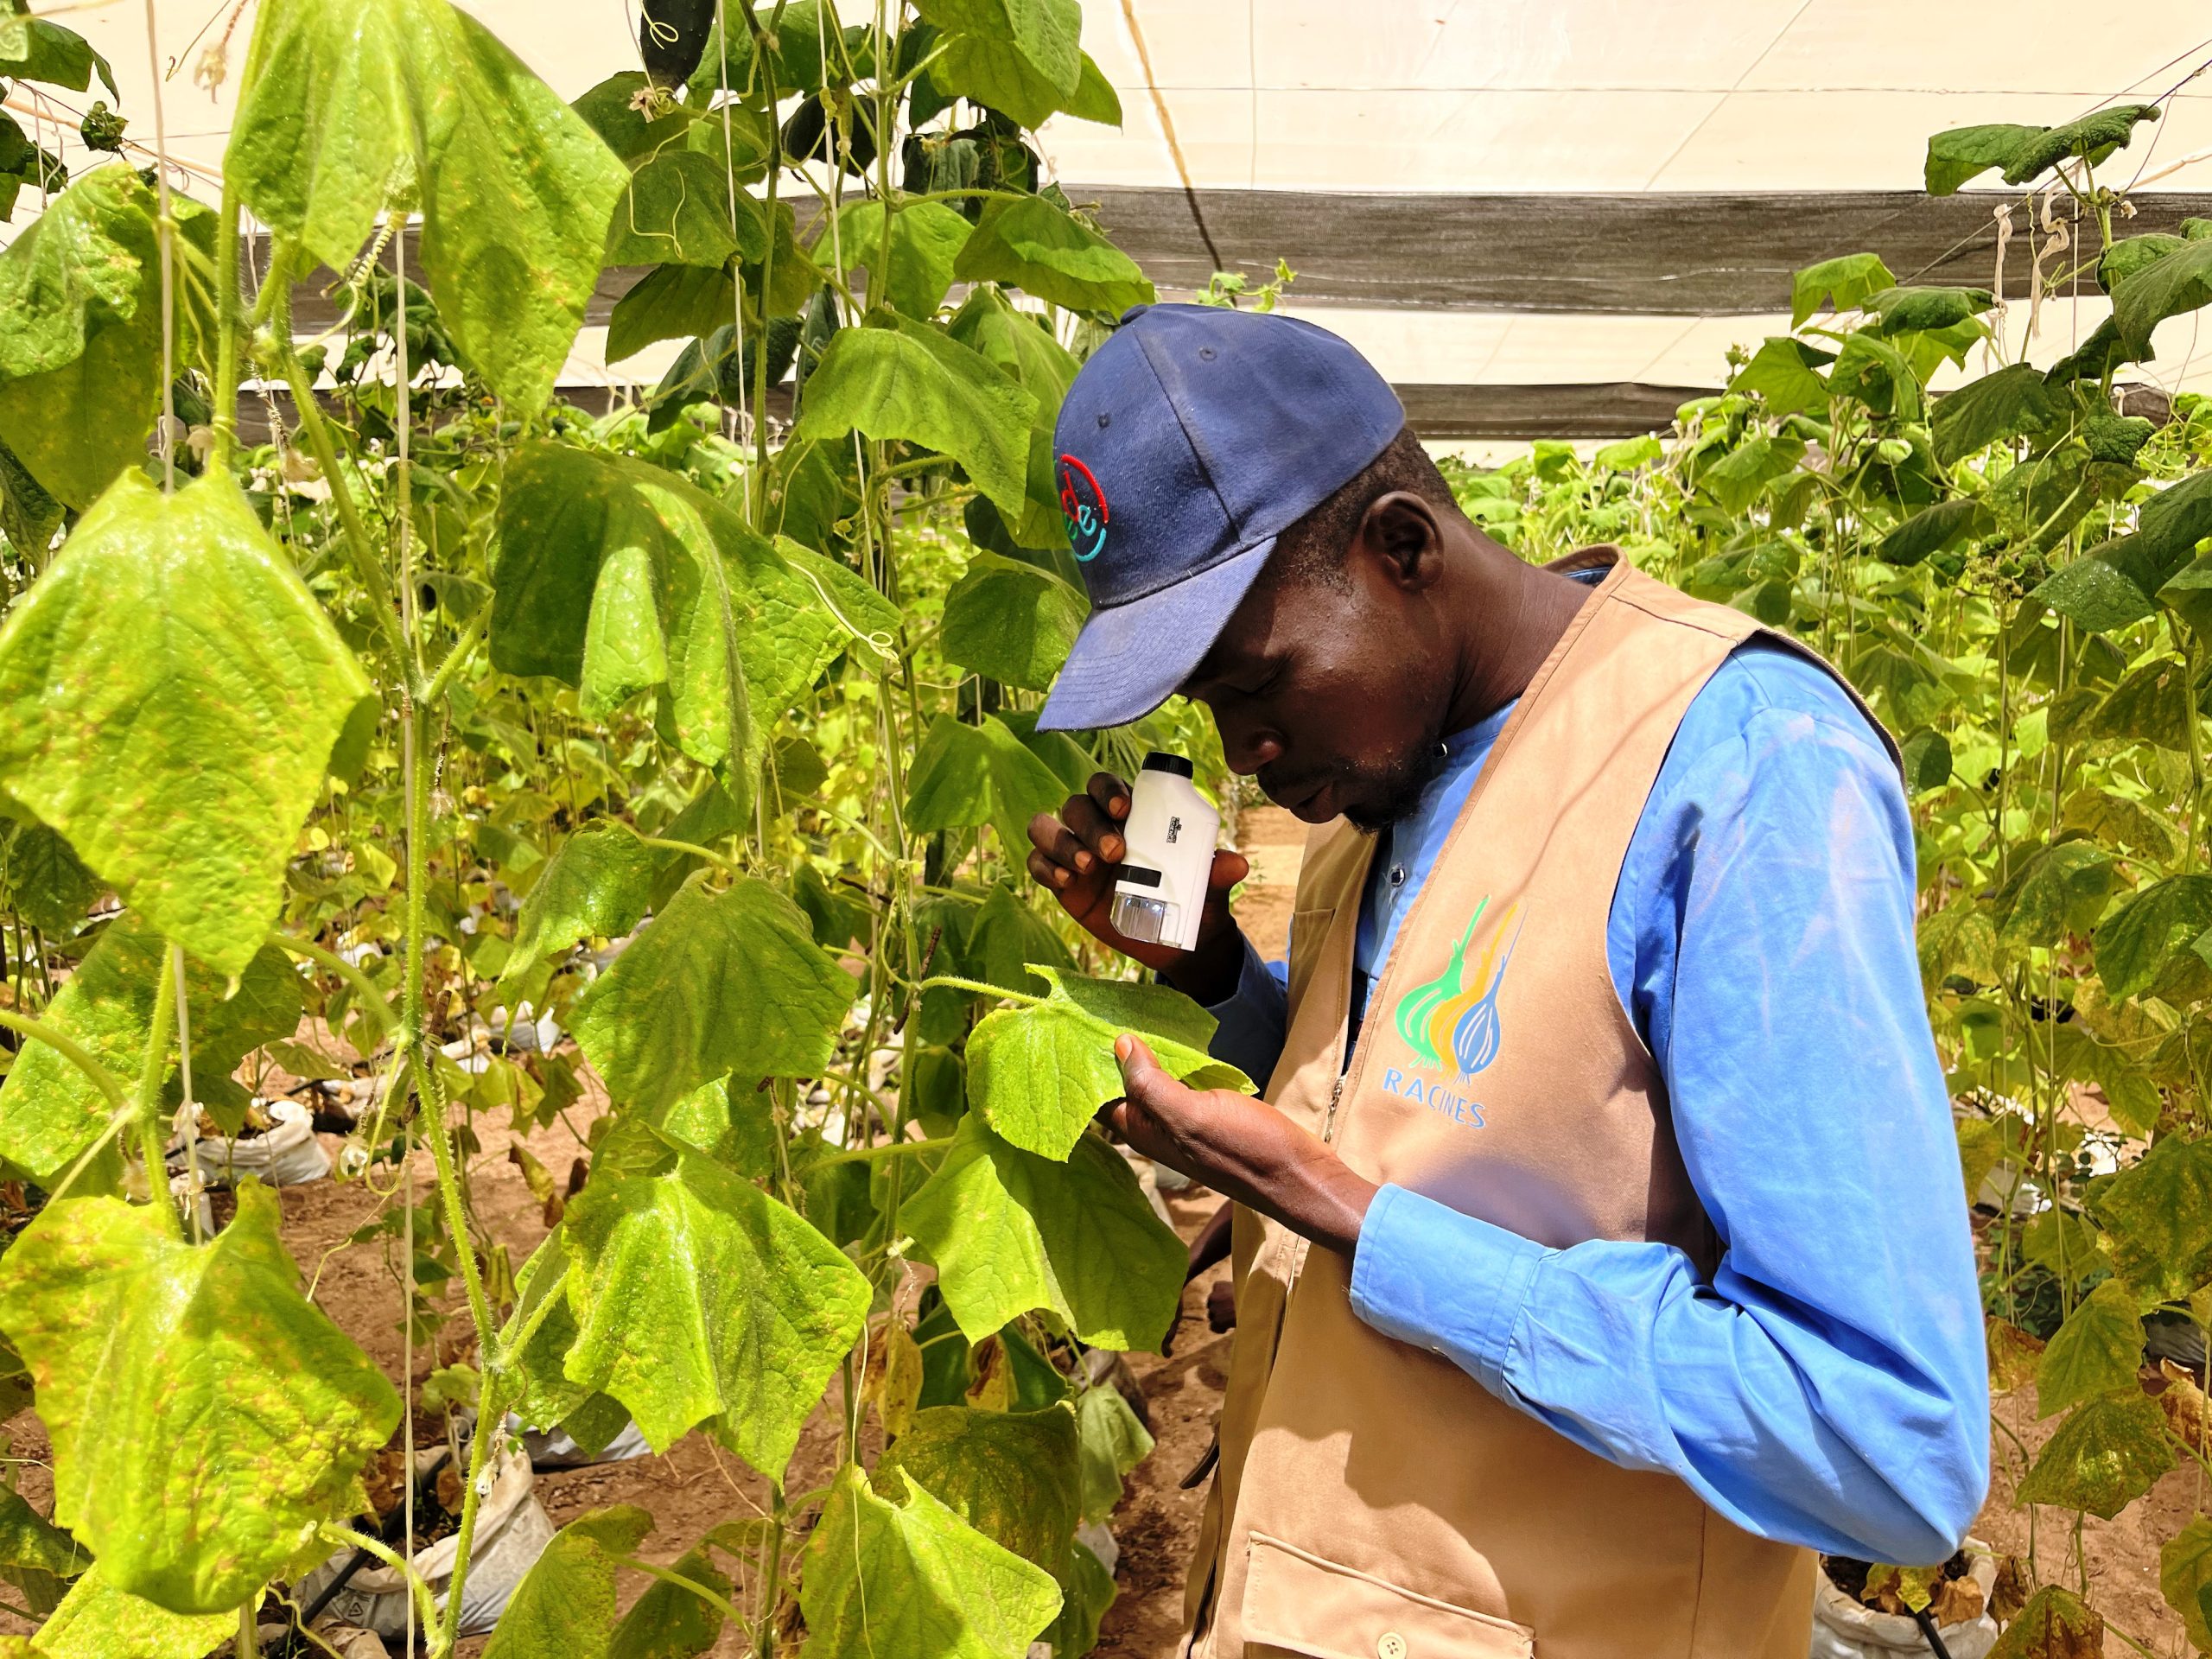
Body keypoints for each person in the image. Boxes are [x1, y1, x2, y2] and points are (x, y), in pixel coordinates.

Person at [1022, 303, 1987, 1659]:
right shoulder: (1392, 775)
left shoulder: (1745, 770)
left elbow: (1884, 1443)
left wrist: (1344, 1212)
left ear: (1403, 548)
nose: (1243, 750)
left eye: (1259, 683)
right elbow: (1424, 1096)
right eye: (1208, 707)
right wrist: (1213, 974)